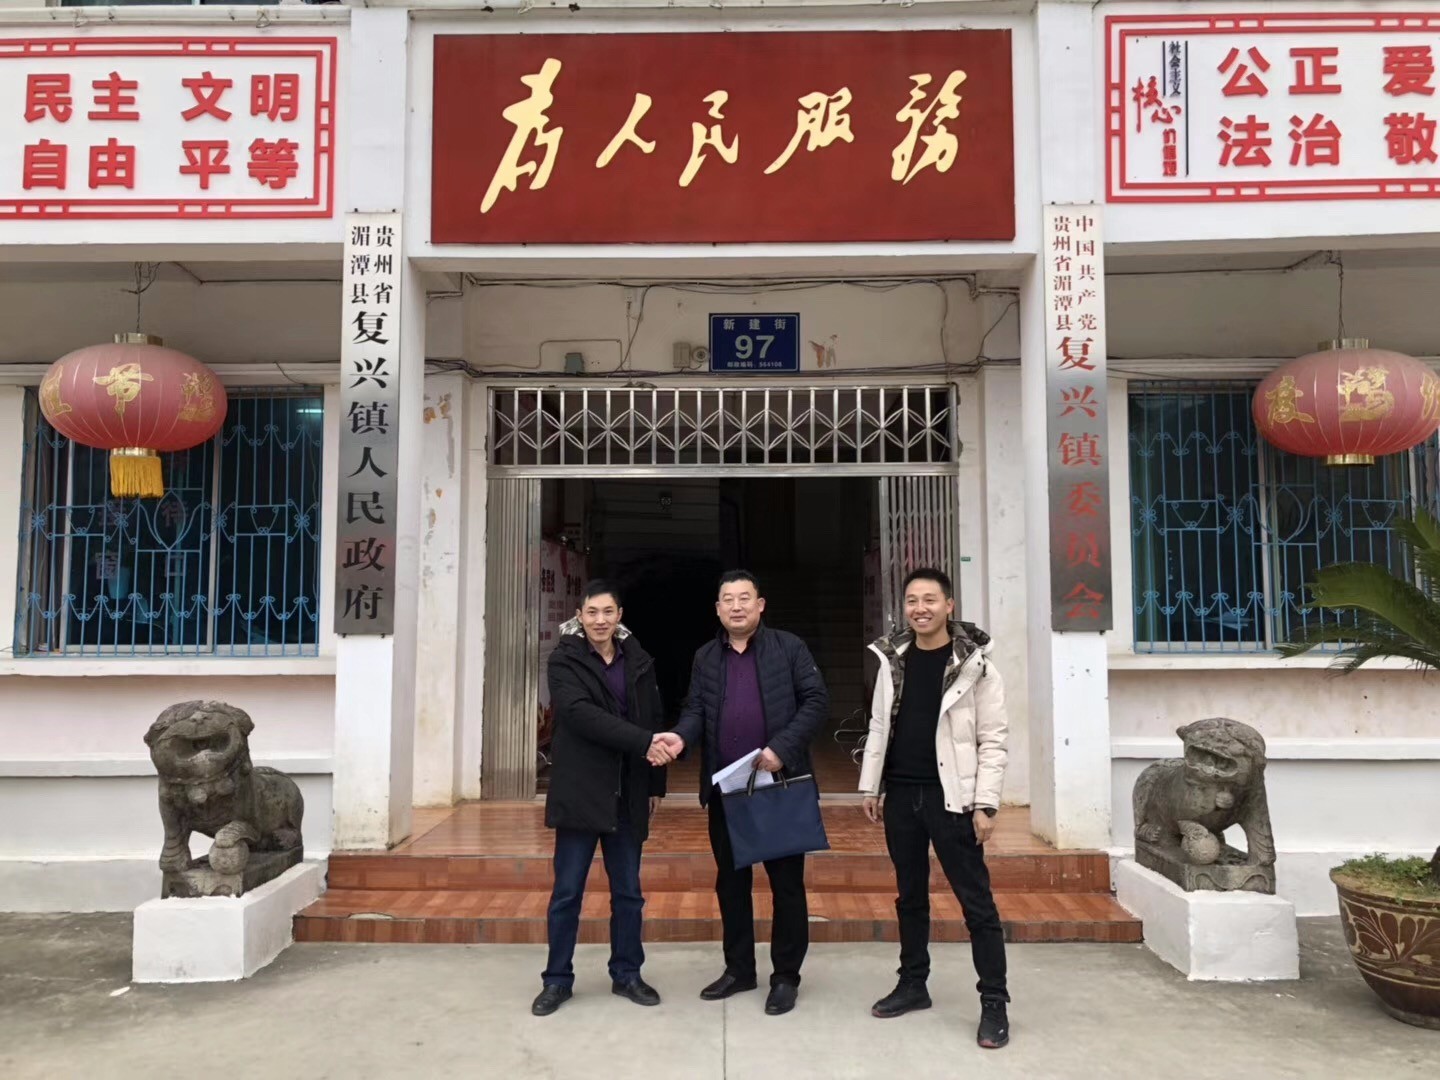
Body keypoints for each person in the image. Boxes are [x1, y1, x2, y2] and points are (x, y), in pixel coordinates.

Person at [653, 570, 828, 1016]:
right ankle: (739, 970)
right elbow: (695, 709)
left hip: (778, 784)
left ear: (760, 604)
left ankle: (785, 977)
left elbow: (815, 701)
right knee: (731, 884)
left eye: (744, 598)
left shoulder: (789, 648)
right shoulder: (706, 656)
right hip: (727, 788)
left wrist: (782, 748)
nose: (736, 606)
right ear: (717, 609)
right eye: (728, 599)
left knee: (786, 886)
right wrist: (680, 737)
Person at [858, 567, 1012, 1049]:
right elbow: (880, 725)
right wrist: (871, 786)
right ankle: (913, 984)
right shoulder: (892, 660)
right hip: (902, 796)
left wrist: (985, 804)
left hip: (954, 800)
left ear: (949, 605)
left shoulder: (978, 667)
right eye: (911, 600)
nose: (919, 608)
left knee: (977, 904)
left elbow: (993, 740)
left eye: (929, 599)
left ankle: (994, 1003)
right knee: (910, 897)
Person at [531, 580, 673, 1017]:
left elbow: (653, 716)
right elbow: (580, 715)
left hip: (627, 791)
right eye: (592, 612)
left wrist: (655, 784)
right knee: (567, 893)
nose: (600, 620)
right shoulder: (564, 659)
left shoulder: (638, 660)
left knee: (628, 893)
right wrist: (644, 742)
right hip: (580, 791)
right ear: (580, 615)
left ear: (619, 615)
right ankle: (557, 980)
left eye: (608, 612)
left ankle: (627, 973)